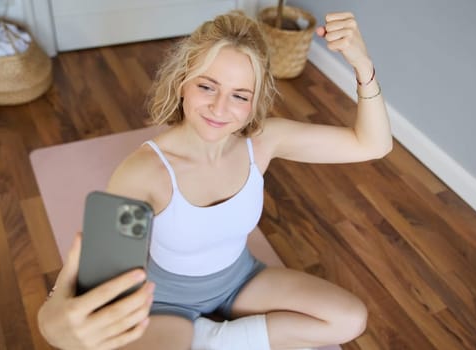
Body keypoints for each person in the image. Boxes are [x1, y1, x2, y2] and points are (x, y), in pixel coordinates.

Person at [38, 9, 391, 349]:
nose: (220, 108)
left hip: (241, 281)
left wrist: (363, 65)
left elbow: (372, 144)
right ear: (182, 83)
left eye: (240, 95)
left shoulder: (263, 142)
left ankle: (213, 340)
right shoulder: (144, 173)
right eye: (207, 87)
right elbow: (95, 281)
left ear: (255, 103)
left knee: (349, 319)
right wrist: (58, 321)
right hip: (166, 303)